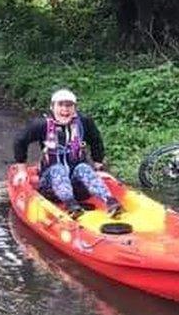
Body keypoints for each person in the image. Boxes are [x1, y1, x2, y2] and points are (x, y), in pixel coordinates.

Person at [12, 89, 122, 219]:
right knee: (58, 169)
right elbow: (20, 141)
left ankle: (111, 202)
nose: (65, 109)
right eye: (61, 105)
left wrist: (98, 167)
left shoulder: (84, 122)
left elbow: (96, 140)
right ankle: (71, 206)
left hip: (79, 188)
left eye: (69, 105)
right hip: (51, 187)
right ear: (52, 107)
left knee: (83, 167)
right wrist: (22, 170)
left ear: (74, 108)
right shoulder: (41, 124)